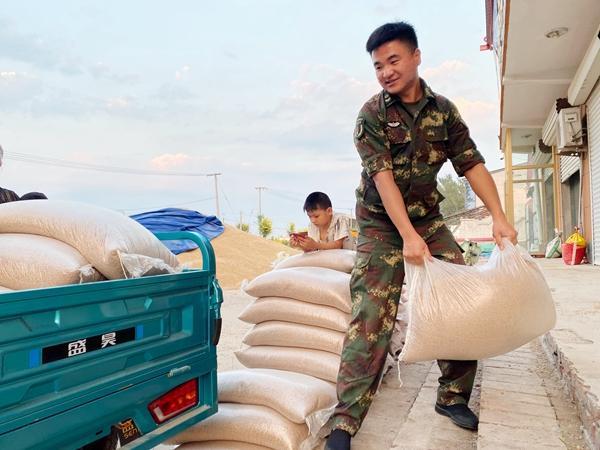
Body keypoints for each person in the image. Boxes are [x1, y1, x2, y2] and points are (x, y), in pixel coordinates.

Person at [324, 22, 517, 449]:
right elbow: (383, 178)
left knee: (463, 301)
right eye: (378, 66)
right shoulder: (371, 115)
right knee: (372, 315)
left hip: (428, 220)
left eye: (393, 60)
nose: (386, 71)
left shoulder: (444, 111)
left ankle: (452, 396)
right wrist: (407, 237)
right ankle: (344, 421)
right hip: (380, 224)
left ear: (415, 56)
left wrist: (499, 217)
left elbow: (472, 164)